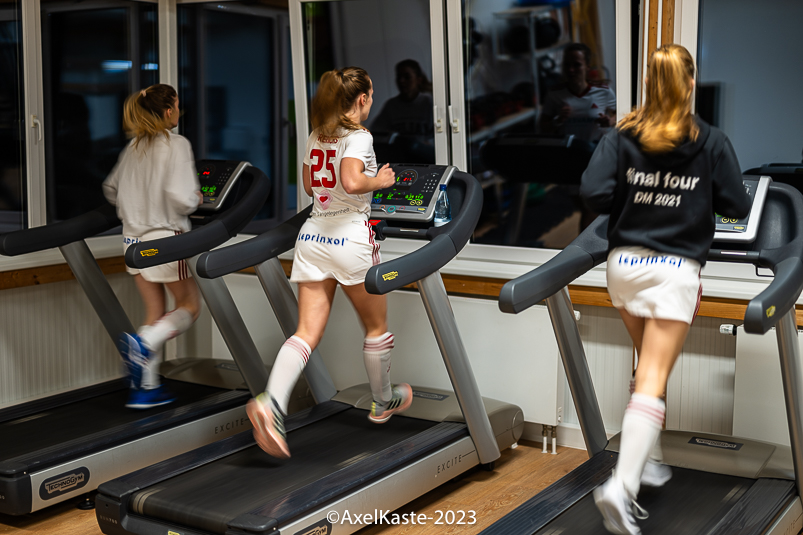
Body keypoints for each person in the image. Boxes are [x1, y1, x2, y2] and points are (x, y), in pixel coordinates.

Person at [580, 44, 751, 535]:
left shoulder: (623, 135)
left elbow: (593, 193)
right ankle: (621, 487)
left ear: (649, 85)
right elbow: (737, 206)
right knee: (654, 375)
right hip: (673, 271)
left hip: (624, 266)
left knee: (645, 368)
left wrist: (637, 193)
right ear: (690, 83)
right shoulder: (709, 139)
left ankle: (648, 461)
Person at [247, 67, 412, 459]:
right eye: (371, 97)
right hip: (350, 238)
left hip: (313, 238)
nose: (371, 103)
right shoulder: (360, 136)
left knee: (305, 332)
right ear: (361, 99)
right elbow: (352, 182)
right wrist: (381, 181)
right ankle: (383, 400)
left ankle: (271, 402)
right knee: (375, 326)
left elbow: (309, 185)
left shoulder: (317, 133)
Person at [103, 84, 202, 410]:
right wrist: (196, 198)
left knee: (155, 313)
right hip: (165, 241)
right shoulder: (176, 144)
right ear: (169, 111)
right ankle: (143, 344)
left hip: (132, 242)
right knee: (190, 305)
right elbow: (181, 197)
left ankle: (145, 389)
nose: (179, 111)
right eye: (177, 105)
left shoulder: (133, 147)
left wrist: (137, 205)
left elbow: (111, 188)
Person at [540, 43, 616, 143]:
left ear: (587, 66)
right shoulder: (554, 93)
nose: (571, 70)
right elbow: (542, 129)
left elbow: (624, 116)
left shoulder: (603, 91)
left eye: (577, 65)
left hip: (596, 148)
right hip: (568, 149)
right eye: (567, 65)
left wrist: (610, 121)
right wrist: (557, 121)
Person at [370, 59, 433, 137]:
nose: (402, 81)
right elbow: (376, 132)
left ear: (419, 80)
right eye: (399, 77)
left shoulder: (428, 102)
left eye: (407, 77)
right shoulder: (391, 106)